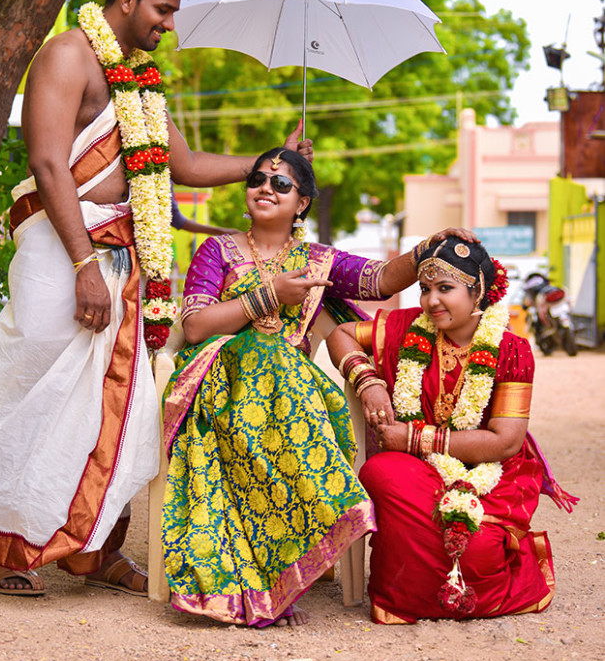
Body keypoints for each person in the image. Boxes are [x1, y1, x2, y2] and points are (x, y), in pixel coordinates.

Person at [0, 0, 311, 598]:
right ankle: (4, 550)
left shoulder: (139, 82)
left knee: (117, 404)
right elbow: (53, 164)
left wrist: (270, 159)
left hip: (124, 259)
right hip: (66, 253)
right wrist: (84, 262)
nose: (169, 25)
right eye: (163, 10)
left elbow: (188, 167)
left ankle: (92, 549)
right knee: (32, 390)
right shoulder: (65, 56)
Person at [160, 148, 473, 627]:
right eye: (259, 179)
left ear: (302, 202)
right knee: (270, 354)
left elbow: (381, 279)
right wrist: (268, 297)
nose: (266, 187)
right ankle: (319, 520)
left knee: (283, 363)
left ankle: (291, 557)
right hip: (218, 384)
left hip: (288, 398)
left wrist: (430, 247)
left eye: (281, 184)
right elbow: (198, 325)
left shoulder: (317, 261)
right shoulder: (216, 251)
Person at [327, 236, 577, 625]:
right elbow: (338, 335)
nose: (431, 301)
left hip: (489, 473)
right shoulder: (406, 327)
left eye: (446, 289)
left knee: (475, 550)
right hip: (416, 469)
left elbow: (506, 442)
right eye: (425, 289)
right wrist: (368, 381)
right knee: (380, 472)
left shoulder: (512, 350)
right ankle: (404, 595)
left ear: (478, 292)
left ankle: (432, 588)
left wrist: (413, 439)